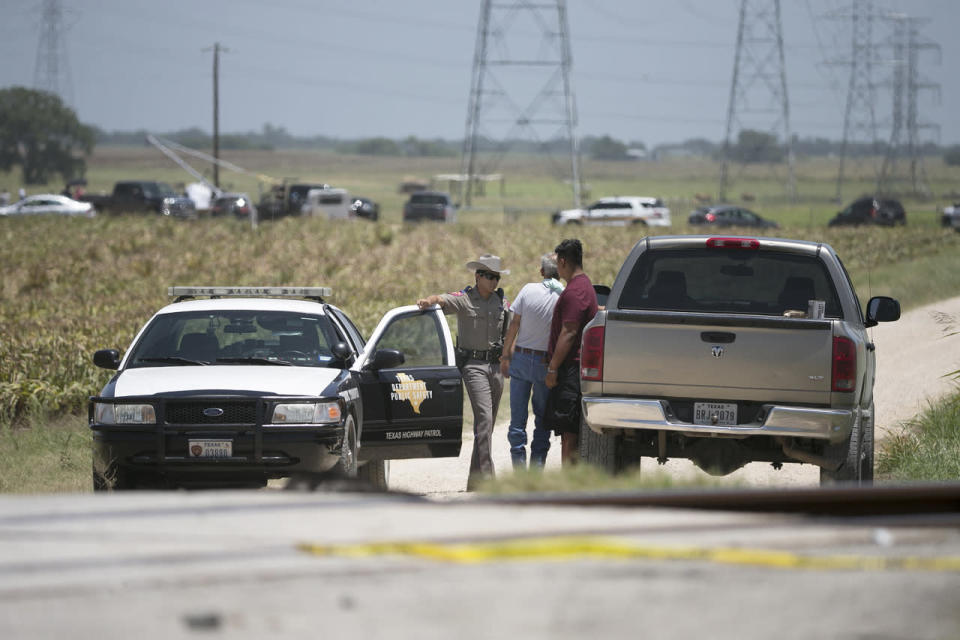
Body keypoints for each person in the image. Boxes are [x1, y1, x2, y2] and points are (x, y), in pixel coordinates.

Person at [417, 253, 512, 490]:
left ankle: (475, 482)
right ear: (478, 276)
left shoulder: (502, 302)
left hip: (495, 367)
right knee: (484, 419)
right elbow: (441, 299)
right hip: (474, 367)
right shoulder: (465, 299)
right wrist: (427, 301)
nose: (494, 282)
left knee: (485, 428)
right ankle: (489, 481)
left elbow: (513, 326)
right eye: (489, 276)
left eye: (497, 277)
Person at [500, 253, 564, 469]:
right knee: (542, 420)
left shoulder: (528, 290)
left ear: (541, 272)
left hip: (521, 357)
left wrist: (505, 355)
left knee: (517, 421)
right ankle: (537, 468)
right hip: (546, 363)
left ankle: (519, 469)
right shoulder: (563, 296)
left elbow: (514, 324)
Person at [545, 238, 598, 466]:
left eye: (558, 263)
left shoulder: (575, 292)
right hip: (575, 369)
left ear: (564, 261)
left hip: (570, 370)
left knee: (569, 433)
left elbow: (568, 332)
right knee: (570, 431)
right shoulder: (583, 286)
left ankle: (567, 486)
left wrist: (552, 368)